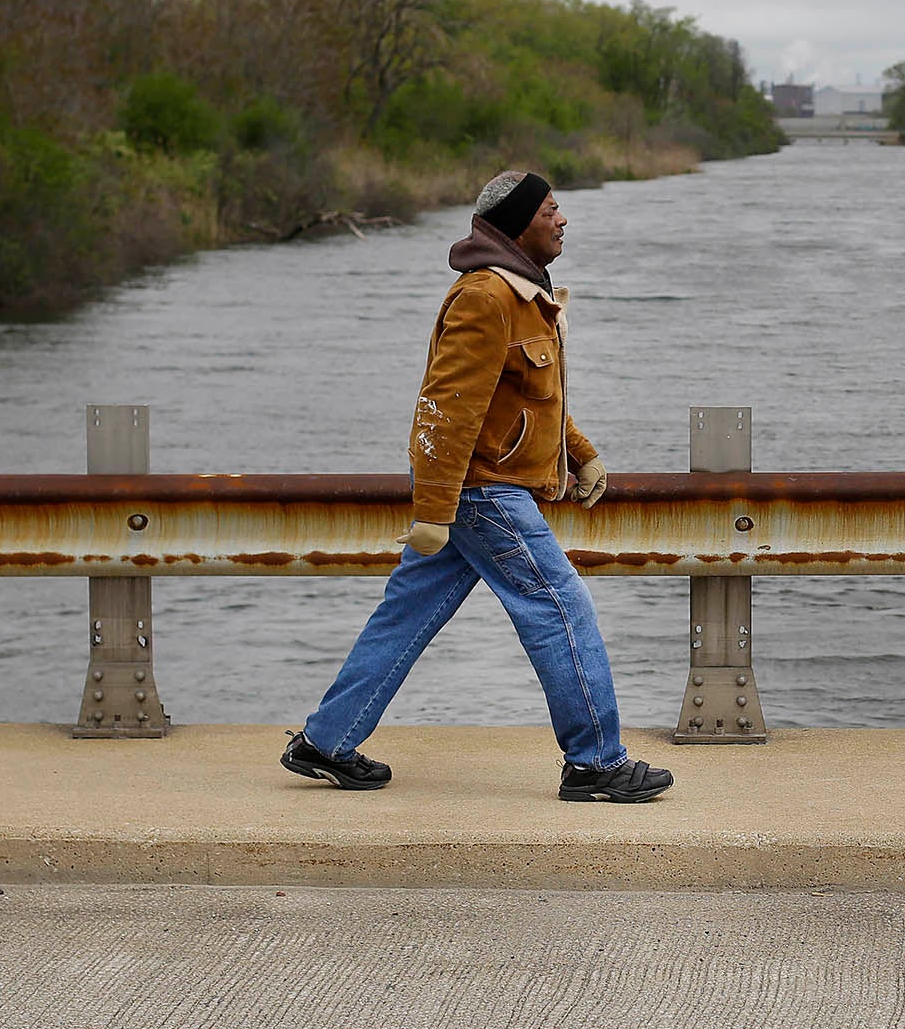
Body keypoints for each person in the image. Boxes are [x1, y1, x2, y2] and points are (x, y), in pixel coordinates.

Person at [281, 171, 674, 803]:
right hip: (481, 488)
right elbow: (445, 410)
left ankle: (326, 741)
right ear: (521, 224)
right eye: (551, 210)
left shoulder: (522, 295)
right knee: (558, 604)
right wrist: (435, 511)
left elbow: (529, 398)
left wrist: (582, 454)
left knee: (408, 611)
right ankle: (596, 763)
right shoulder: (485, 298)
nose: (563, 219)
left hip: (477, 486)